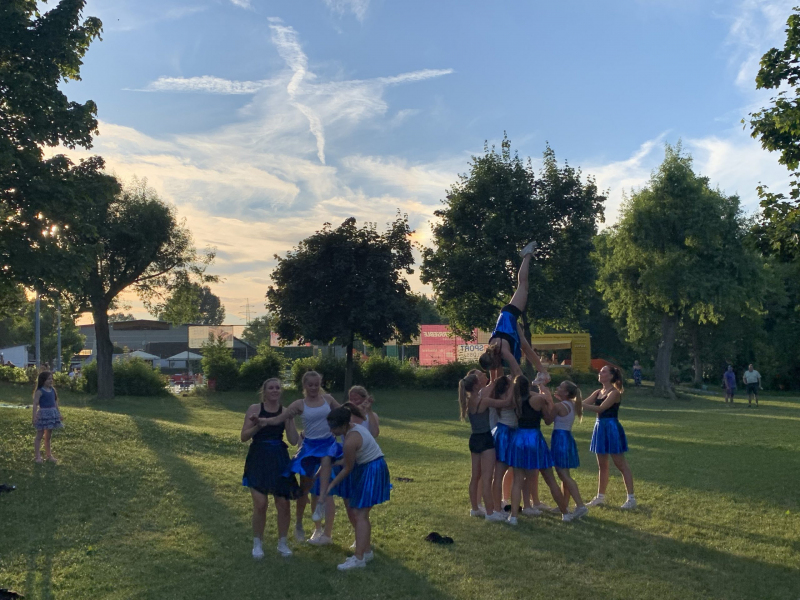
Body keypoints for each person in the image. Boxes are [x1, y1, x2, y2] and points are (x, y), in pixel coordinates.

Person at [262, 370, 341, 545]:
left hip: (328, 445)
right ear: (304, 386)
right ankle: (299, 523)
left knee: (325, 485)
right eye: (310, 385)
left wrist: (360, 412)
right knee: (305, 489)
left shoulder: (328, 399)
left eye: (316, 384)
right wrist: (264, 421)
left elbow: (343, 413)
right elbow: (281, 418)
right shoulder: (299, 404)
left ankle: (322, 520)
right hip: (309, 448)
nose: (313, 388)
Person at [319, 404, 391, 571]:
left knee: (360, 514)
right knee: (360, 514)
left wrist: (331, 485)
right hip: (369, 467)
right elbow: (346, 460)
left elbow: (348, 468)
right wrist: (331, 464)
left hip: (372, 470)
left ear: (344, 425)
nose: (331, 431)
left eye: (334, 427)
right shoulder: (352, 429)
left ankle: (359, 559)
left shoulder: (351, 440)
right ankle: (366, 552)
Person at [240, 378, 301, 558]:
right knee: (260, 504)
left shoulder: (284, 411)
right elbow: (244, 436)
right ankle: (257, 543)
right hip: (258, 457)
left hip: (279, 458)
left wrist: (290, 419)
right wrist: (258, 426)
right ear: (264, 392)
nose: (275, 390)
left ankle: (282, 543)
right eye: (271, 388)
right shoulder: (254, 409)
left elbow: (293, 440)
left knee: (283, 504)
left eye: (278, 388)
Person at [478, 243, 548, 383]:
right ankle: (542, 372)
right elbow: (494, 379)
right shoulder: (492, 350)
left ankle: (527, 255)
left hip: (510, 313)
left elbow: (517, 371)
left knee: (523, 285)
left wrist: (523, 388)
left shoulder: (502, 351)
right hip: (509, 324)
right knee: (525, 346)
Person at [506, 375, 571, 524]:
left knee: (517, 480)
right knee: (550, 479)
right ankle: (565, 513)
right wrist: (547, 400)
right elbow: (548, 420)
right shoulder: (537, 400)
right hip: (535, 438)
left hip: (519, 438)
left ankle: (513, 517)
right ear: (528, 385)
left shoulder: (515, 400)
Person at [458, 371, 510, 522]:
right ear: (476, 386)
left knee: (475, 476)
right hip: (486, 440)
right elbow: (506, 403)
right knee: (487, 478)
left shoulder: (467, 401)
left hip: (474, 439)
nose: (482, 381)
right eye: (478, 380)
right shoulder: (484, 401)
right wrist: (513, 387)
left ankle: (475, 509)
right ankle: (490, 513)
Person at [583, 365, 636, 509]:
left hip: (611, 428)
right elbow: (583, 403)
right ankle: (600, 497)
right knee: (602, 465)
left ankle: (631, 499)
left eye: (603, 371)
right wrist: (570, 400)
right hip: (600, 427)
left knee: (621, 464)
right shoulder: (597, 392)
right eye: (600, 371)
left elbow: (600, 408)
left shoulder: (614, 393)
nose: (600, 373)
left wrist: (578, 404)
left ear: (611, 376)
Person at [550, 380, 588, 520]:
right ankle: (564, 504)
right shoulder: (572, 404)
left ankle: (580, 505)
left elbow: (547, 419)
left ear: (566, 392)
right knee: (564, 474)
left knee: (563, 475)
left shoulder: (559, 406)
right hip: (567, 438)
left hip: (559, 439)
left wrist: (547, 400)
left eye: (560, 387)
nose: (557, 387)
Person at [32, 371, 63, 464]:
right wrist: (34, 417)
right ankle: (38, 457)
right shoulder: (39, 391)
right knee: (39, 435)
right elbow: (35, 404)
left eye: (51, 379)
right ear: (43, 380)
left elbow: (55, 403)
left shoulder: (53, 390)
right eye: (49, 379)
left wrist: (59, 413)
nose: (51, 380)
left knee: (48, 436)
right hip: (43, 415)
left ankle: (49, 455)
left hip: (52, 415)